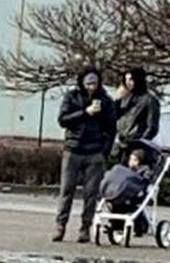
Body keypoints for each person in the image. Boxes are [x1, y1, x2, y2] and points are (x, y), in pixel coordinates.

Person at [54, 67, 117, 243]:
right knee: (67, 190)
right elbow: (63, 120)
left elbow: (111, 128)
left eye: (94, 84)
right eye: (88, 83)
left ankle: (85, 227)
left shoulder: (106, 101)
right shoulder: (72, 97)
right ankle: (61, 225)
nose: (91, 87)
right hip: (73, 149)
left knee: (91, 193)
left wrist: (105, 151)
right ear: (82, 83)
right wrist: (84, 113)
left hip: (95, 151)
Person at [100, 147, 155, 231]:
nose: (131, 162)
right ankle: (115, 225)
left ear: (141, 161)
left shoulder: (145, 170)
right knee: (116, 206)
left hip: (136, 192)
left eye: (135, 160)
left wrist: (144, 177)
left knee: (132, 208)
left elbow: (146, 179)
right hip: (123, 192)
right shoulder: (126, 170)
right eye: (130, 160)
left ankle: (140, 227)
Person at [115, 66, 161, 154]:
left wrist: (141, 143)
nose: (128, 83)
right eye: (126, 79)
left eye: (131, 79)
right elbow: (114, 116)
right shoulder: (126, 97)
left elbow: (152, 127)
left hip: (136, 144)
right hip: (120, 143)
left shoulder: (150, 99)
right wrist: (117, 101)